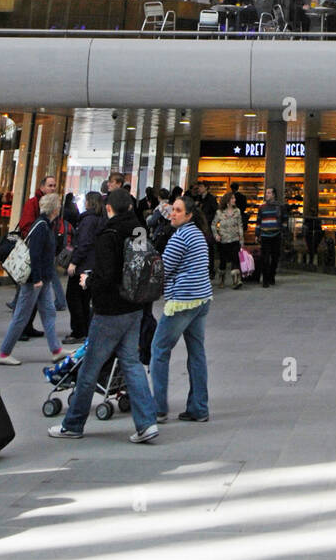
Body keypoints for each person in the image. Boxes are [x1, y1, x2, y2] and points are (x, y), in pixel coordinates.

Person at [48, 188, 158, 444]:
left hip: (110, 309)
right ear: (130, 207)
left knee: (90, 368)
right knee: (131, 363)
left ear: (109, 209)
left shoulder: (108, 234)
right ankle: (146, 423)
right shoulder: (139, 230)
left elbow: (107, 275)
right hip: (135, 306)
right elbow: (139, 266)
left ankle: (73, 424)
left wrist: (89, 280)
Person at [151, 195, 213, 424]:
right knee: (196, 353)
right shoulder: (197, 233)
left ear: (188, 215)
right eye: (173, 210)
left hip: (183, 301)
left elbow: (163, 268)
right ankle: (199, 407)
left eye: (178, 211)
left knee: (159, 349)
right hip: (202, 299)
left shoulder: (180, 237)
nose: (173, 214)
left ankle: (157, 407)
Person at [0, 192, 64, 364]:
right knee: (21, 315)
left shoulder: (45, 224)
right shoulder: (41, 226)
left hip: (43, 277)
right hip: (35, 279)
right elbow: (34, 253)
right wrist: (36, 279)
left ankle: (56, 350)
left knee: (48, 313)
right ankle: (4, 353)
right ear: (55, 209)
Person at [64, 191, 104, 343]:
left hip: (83, 265)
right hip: (93, 264)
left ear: (89, 202)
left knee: (74, 297)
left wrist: (74, 261)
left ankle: (78, 330)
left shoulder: (87, 220)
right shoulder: (100, 219)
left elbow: (84, 243)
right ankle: (85, 329)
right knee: (84, 299)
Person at [212, 191, 245, 287]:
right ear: (228, 201)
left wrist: (241, 239)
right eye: (233, 198)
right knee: (223, 261)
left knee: (235, 260)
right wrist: (216, 235)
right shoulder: (219, 212)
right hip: (223, 240)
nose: (235, 200)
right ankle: (221, 280)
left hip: (234, 239)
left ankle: (236, 281)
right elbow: (213, 224)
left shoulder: (237, 211)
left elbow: (240, 225)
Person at [255, 185, 285, 287]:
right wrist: (257, 234)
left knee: (275, 257)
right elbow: (258, 221)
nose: (266, 195)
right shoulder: (262, 207)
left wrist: (283, 231)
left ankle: (272, 275)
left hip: (276, 235)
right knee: (265, 258)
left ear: (273, 195)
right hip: (265, 235)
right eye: (266, 193)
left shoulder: (280, 206)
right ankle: (265, 279)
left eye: (268, 193)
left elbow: (284, 220)